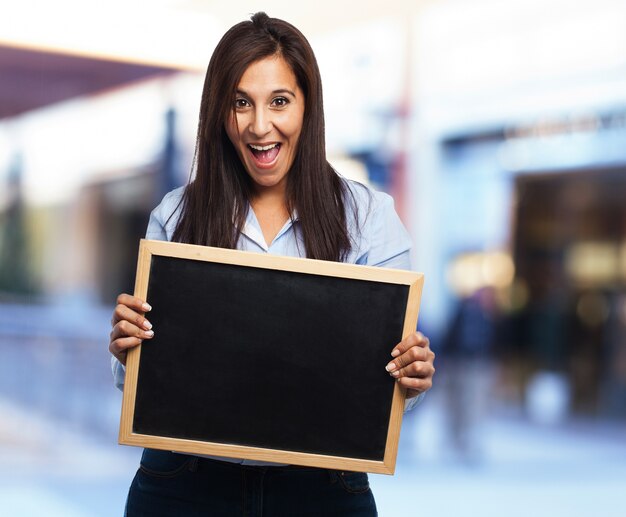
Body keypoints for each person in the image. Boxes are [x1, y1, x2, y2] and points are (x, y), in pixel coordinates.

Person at [109, 12, 435, 516]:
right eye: (241, 103)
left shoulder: (371, 218)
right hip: (184, 484)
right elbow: (140, 382)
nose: (260, 126)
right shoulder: (176, 215)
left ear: (308, 106)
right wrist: (125, 347)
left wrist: (409, 377)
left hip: (322, 491)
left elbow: (389, 397)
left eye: (279, 101)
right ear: (220, 113)